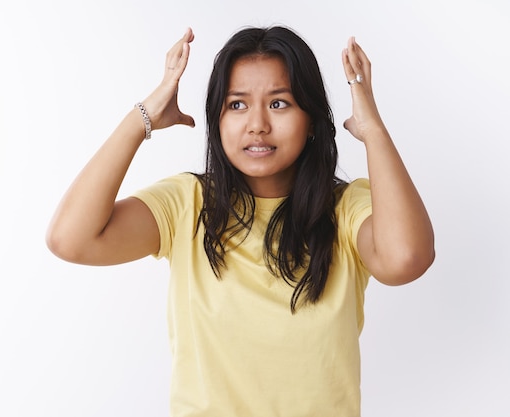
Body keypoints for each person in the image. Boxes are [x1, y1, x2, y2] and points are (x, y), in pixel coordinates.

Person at [46, 25, 435, 417]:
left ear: (312, 120)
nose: (257, 124)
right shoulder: (188, 203)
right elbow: (70, 239)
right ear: (217, 120)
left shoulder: (346, 208)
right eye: (237, 105)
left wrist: (373, 130)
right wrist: (142, 117)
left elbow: (406, 259)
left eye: (279, 104)